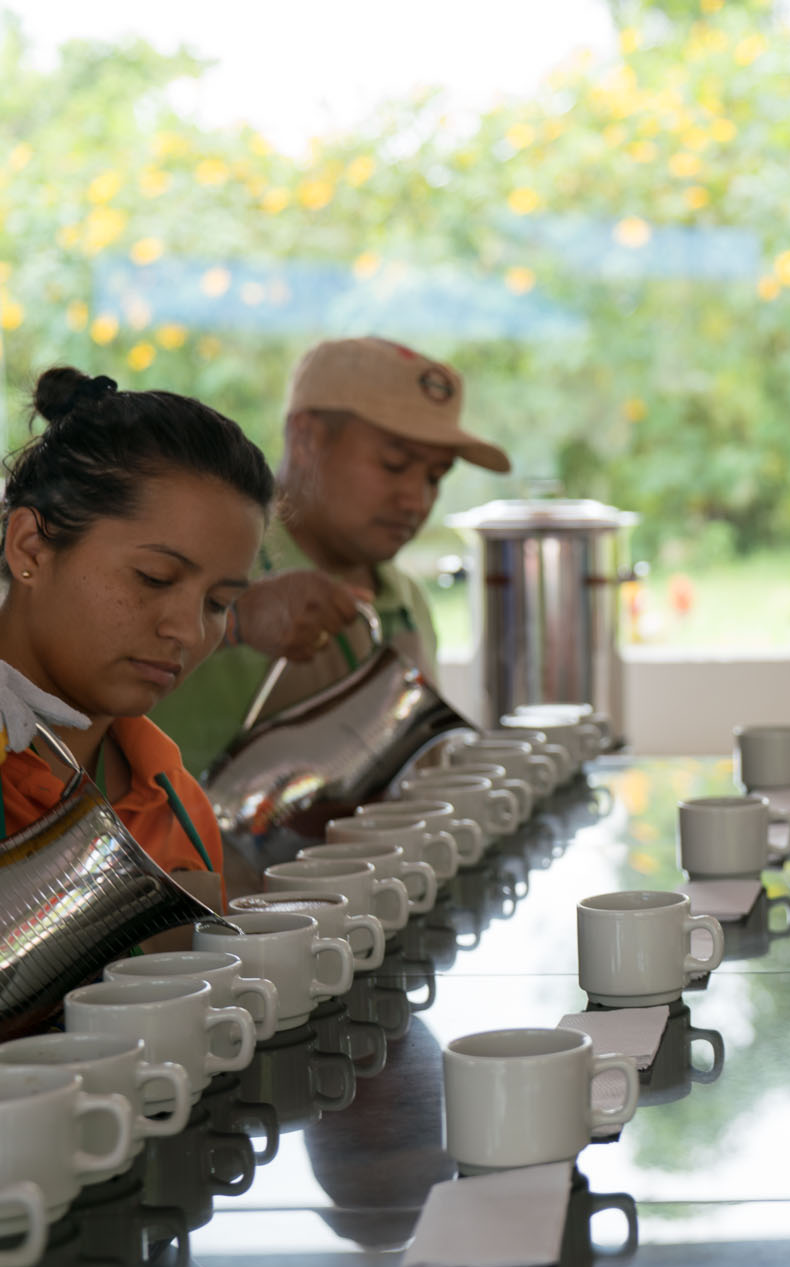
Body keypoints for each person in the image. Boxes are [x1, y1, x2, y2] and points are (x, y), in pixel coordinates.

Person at [151, 337, 510, 775]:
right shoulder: (201, 563)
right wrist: (235, 620)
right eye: (394, 464)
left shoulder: (406, 601)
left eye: (435, 477)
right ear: (306, 438)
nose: (416, 500)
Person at [0, 367, 276, 894]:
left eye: (218, 604)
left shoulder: (174, 803)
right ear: (30, 548)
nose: (188, 632)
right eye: (155, 578)